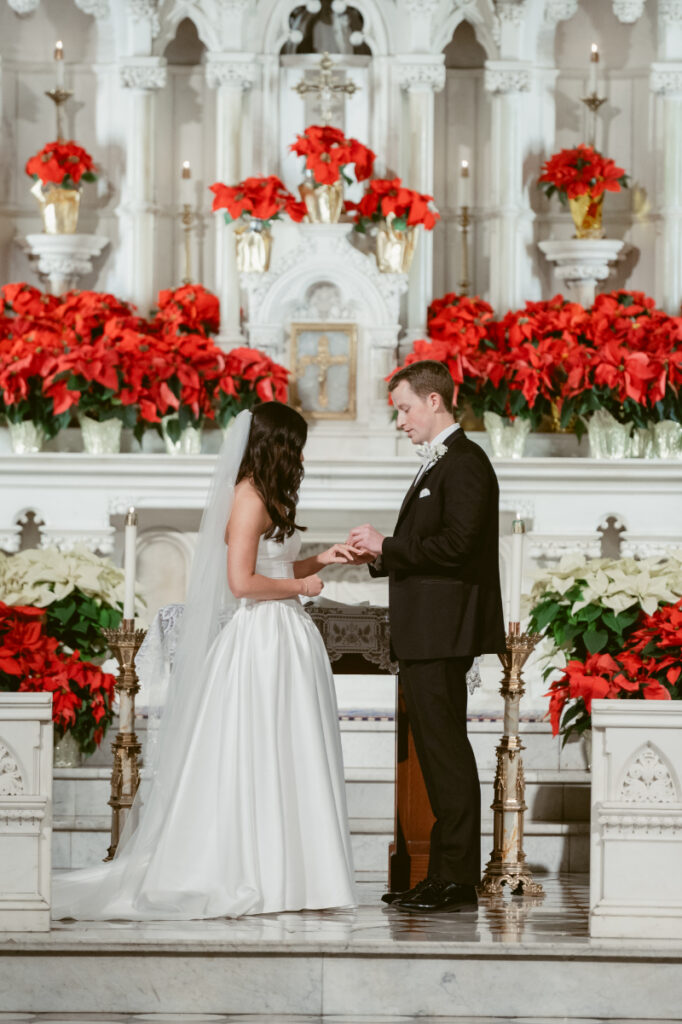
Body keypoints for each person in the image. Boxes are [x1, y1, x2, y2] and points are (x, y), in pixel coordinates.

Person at [52, 403, 359, 920]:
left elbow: (274, 564)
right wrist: (302, 585)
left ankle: (298, 876)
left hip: (285, 634)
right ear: (278, 445)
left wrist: (321, 559)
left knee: (289, 749)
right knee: (259, 748)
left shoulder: (268, 494)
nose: (302, 455)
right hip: (261, 637)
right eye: (297, 445)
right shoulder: (249, 497)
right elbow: (242, 582)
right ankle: (257, 873)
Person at [349, 361, 505, 914]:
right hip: (427, 631)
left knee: (446, 755)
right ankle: (442, 874)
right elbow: (431, 542)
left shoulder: (464, 463)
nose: (400, 421)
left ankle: (456, 879)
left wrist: (388, 546)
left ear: (434, 402)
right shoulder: (440, 463)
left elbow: (459, 546)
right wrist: (379, 554)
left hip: (442, 632)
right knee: (438, 756)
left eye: (404, 408)